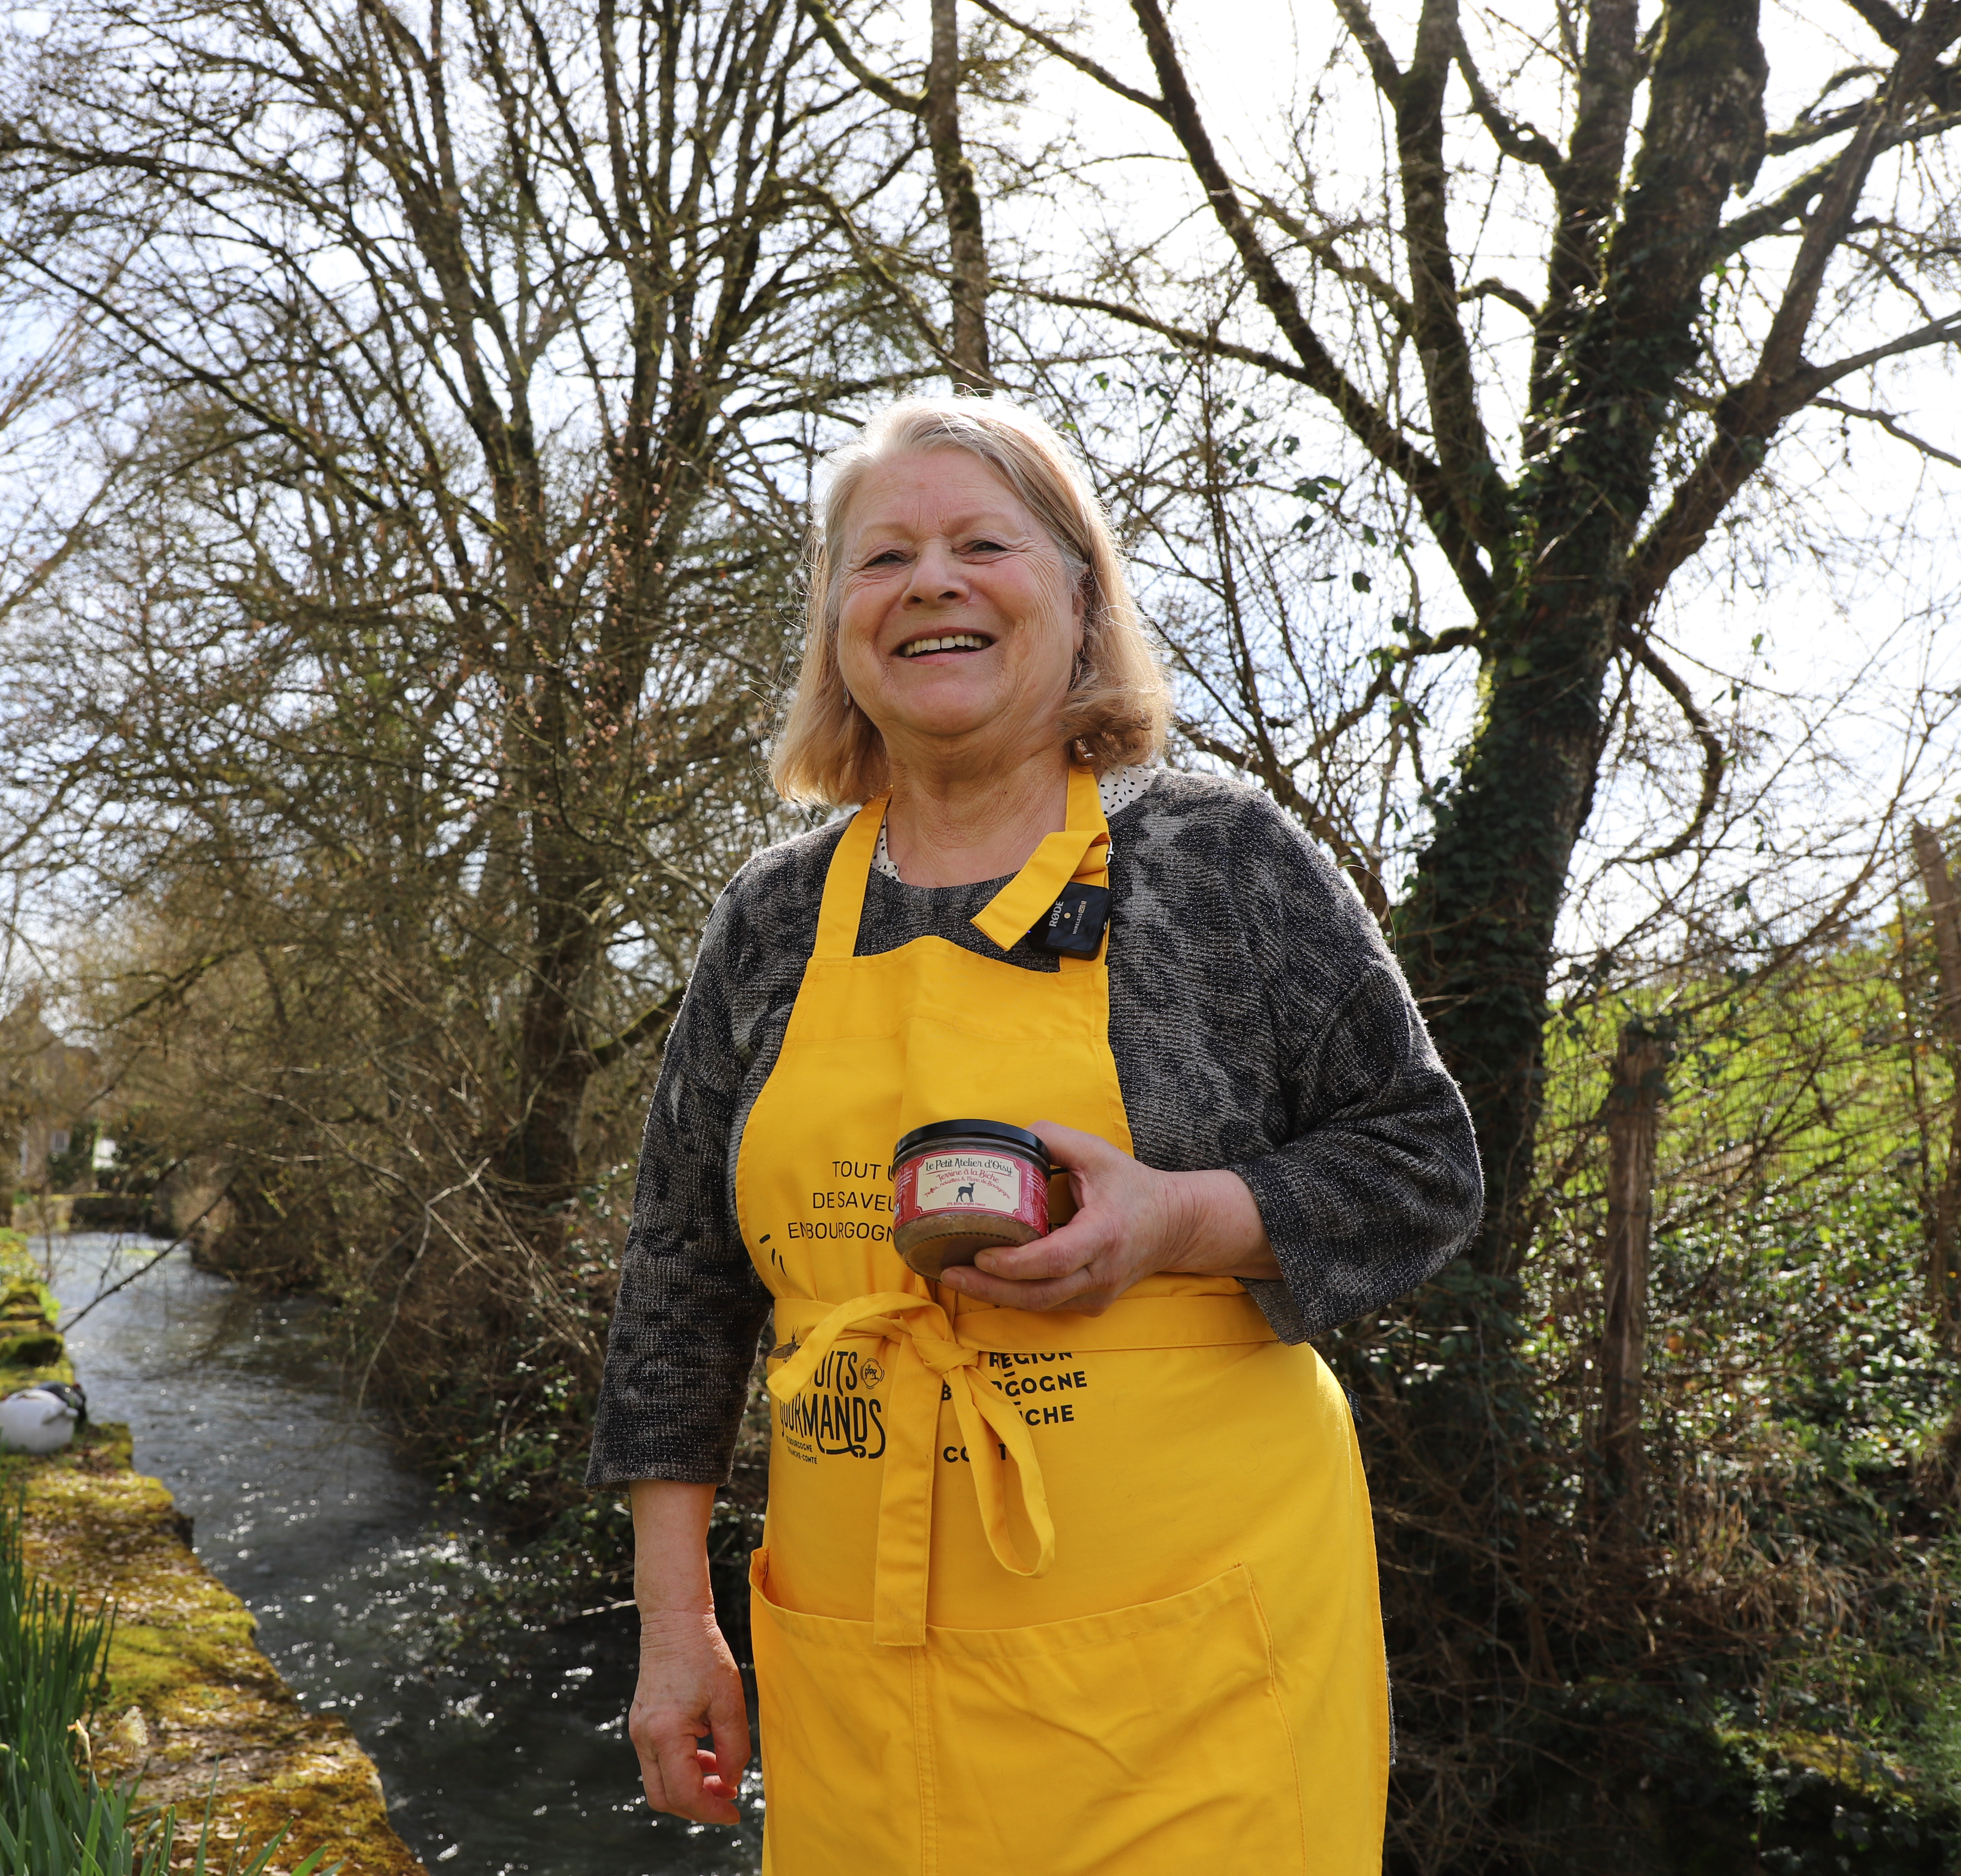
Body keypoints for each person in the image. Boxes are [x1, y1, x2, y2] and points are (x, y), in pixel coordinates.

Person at [586, 394, 1484, 1873]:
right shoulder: (768, 922)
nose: (930, 581)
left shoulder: (1215, 861)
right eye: (881, 558)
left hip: (1193, 1669)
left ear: (1077, 597)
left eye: (980, 543)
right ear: (837, 626)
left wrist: (1177, 1222)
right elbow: (680, 1283)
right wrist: (677, 1627)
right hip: (864, 1653)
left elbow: (1423, 1164)